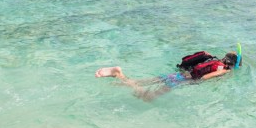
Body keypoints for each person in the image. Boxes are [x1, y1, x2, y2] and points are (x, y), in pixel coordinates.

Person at [95, 51, 239, 101]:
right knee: (148, 97)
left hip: (178, 74)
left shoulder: (212, 58)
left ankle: (116, 78)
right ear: (232, 64)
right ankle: (117, 74)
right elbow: (203, 78)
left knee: (141, 82)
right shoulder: (223, 69)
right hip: (182, 80)